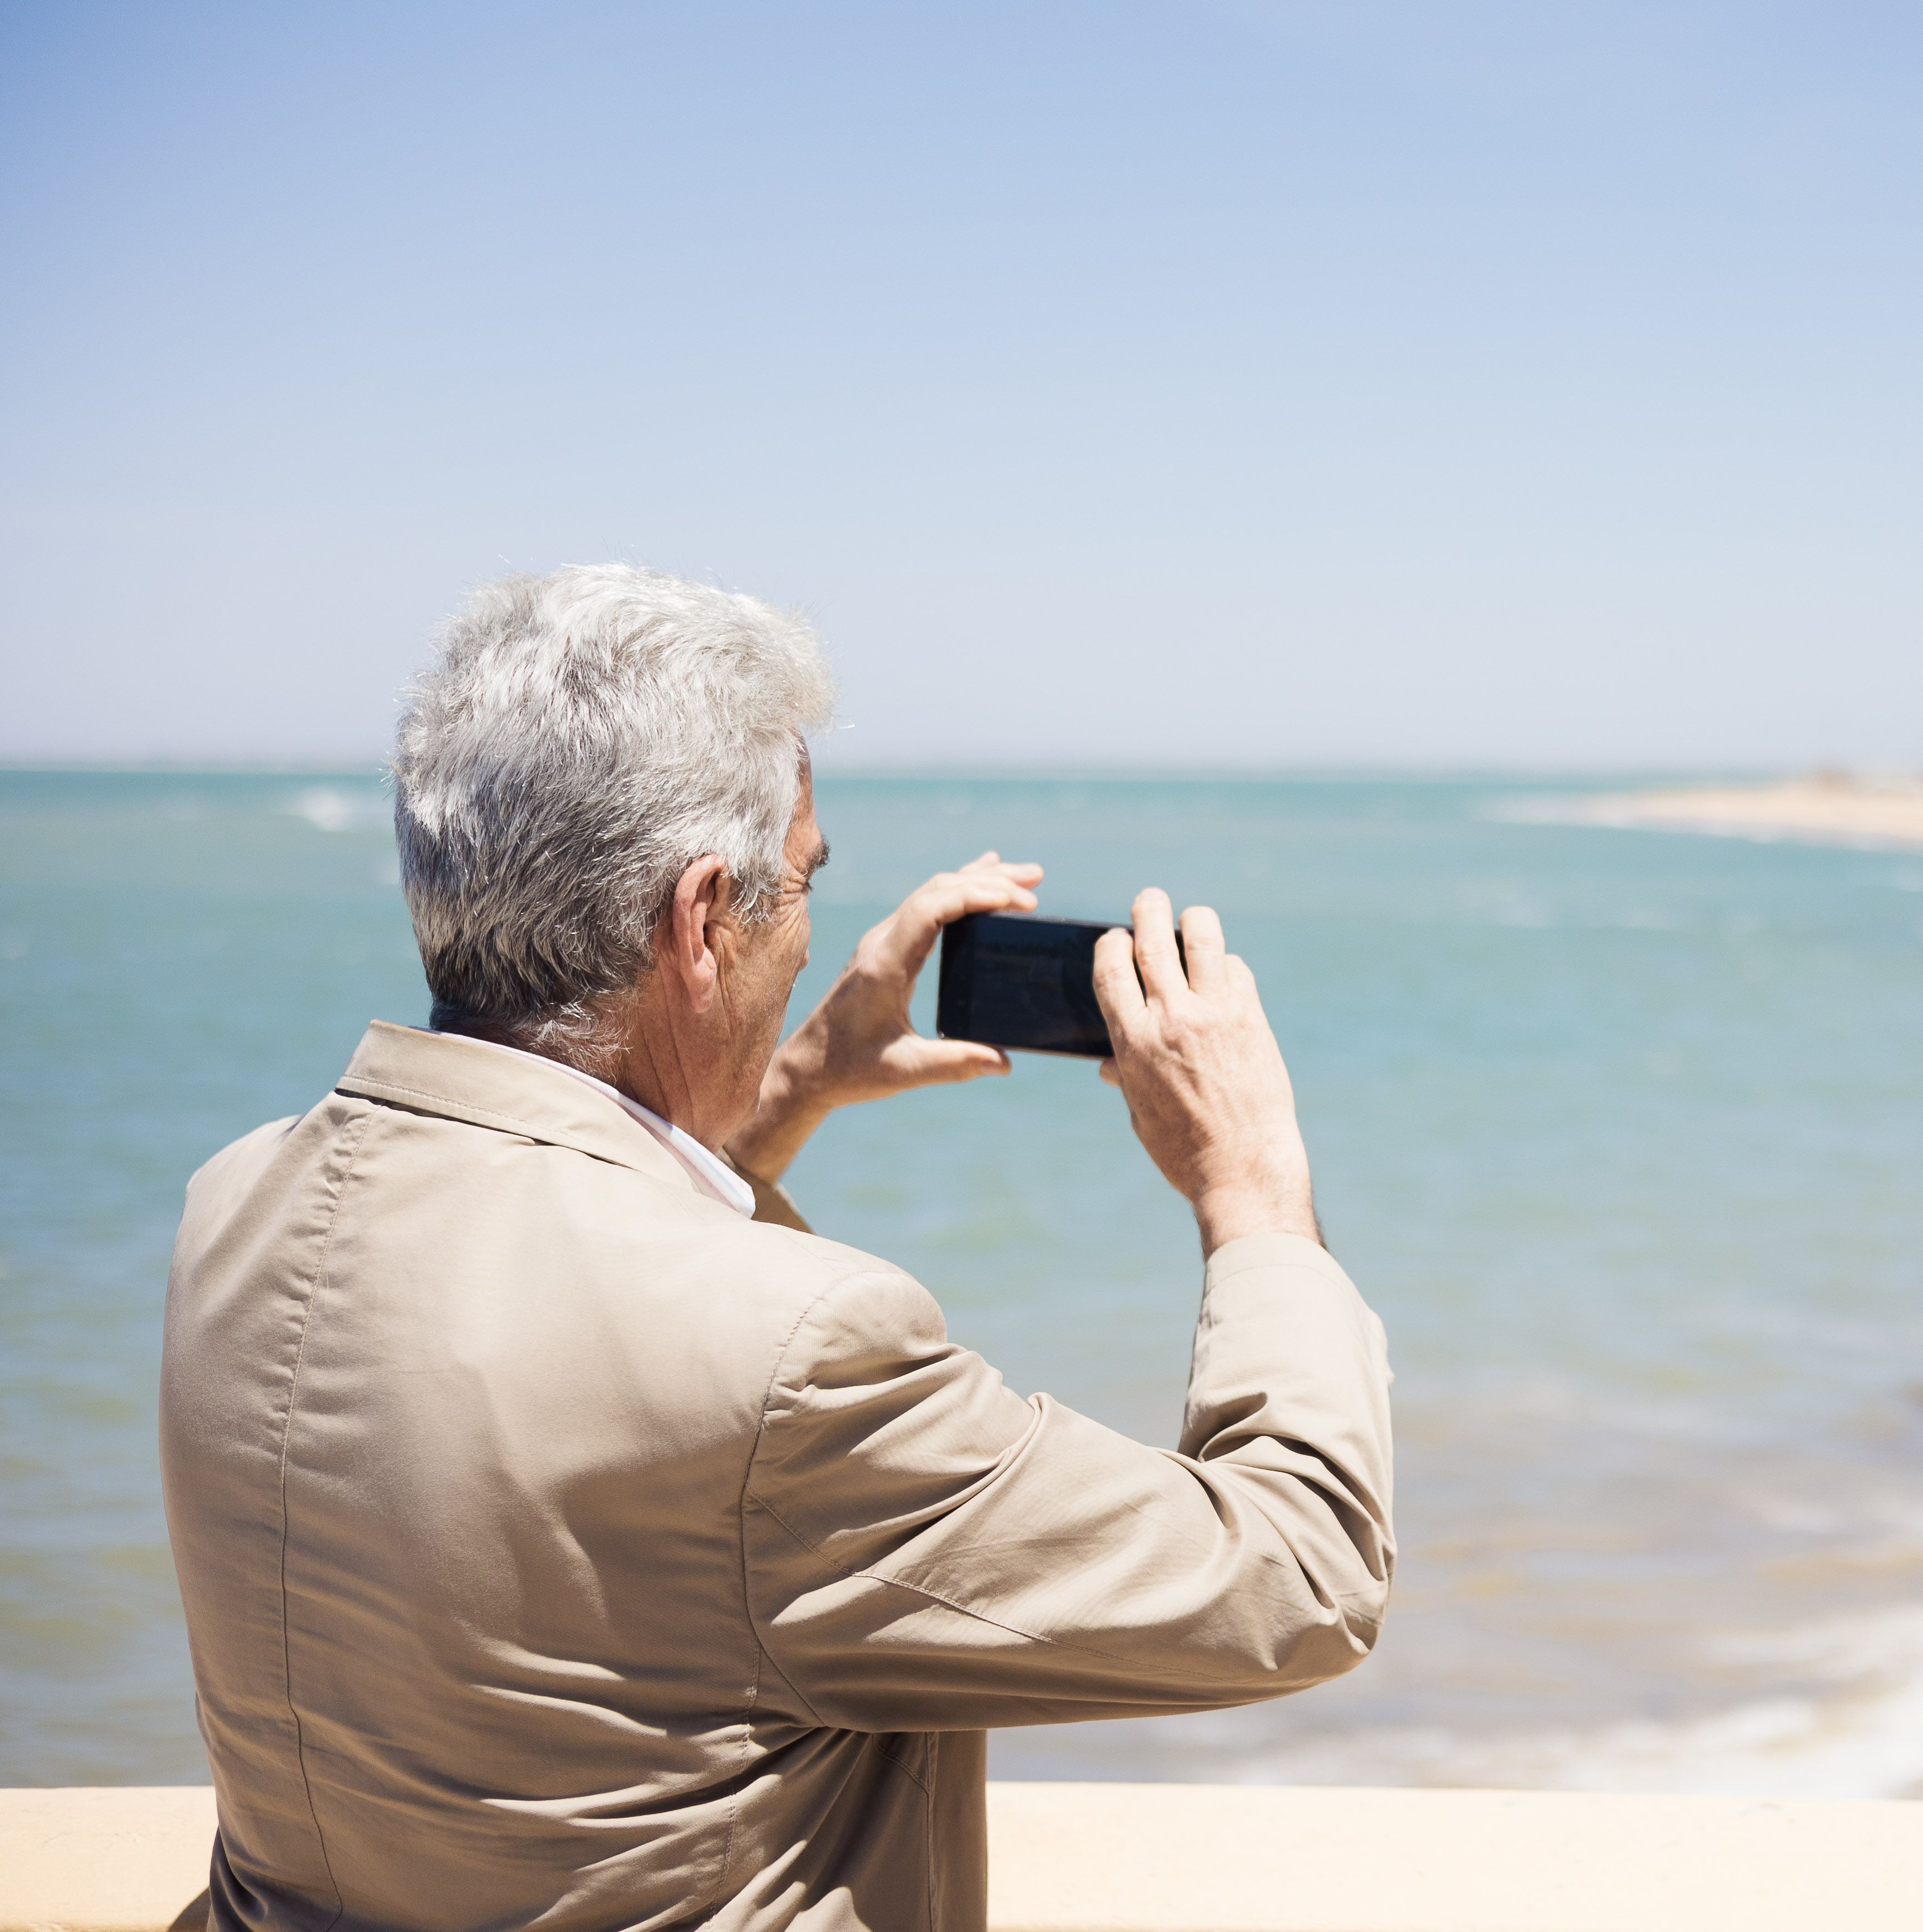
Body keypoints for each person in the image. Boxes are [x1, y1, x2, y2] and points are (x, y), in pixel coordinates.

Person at [160, 566, 1393, 1932]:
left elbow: (566, 1298)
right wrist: (1249, 1183)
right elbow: (1302, 1577)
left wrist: (786, 1084)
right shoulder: (797, 1353)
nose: (804, 944)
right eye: (798, 885)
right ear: (702, 921)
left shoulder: (236, 1209)